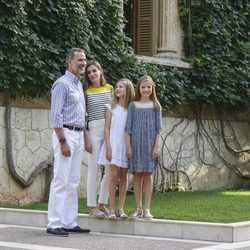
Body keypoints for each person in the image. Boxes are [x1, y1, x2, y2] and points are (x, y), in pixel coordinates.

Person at [47, 48, 90, 236]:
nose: (83, 62)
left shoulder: (79, 85)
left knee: (73, 181)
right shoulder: (62, 84)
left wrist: (84, 137)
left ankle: (69, 221)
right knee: (60, 179)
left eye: (85, 59)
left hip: (78, 135)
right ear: (69, 62)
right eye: (79, 59)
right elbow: (56, 116)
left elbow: (82, 115)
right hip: (65, 134)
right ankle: (54, 223)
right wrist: (62, 141)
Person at [125, 75, 162, 220]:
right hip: (135, 145)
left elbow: (158, 130)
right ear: (138, 89)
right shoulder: (133, 106)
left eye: (148, 87)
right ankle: (138, 208)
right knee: (137, 175)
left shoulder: (156, 106)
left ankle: (147, 209)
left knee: (148, 175)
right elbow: (128, 129)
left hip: (150, 145)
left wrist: (156, 147)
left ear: (152, 89)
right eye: (143, 87)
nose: (146, 89)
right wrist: (128, 146)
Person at [98, 79, 135, 219]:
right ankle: (111, 209)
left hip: (125, 145)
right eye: (117, 87)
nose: (118, 89)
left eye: (121, 87)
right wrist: (108, 147)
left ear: (128, 90)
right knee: (113, 176)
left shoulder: (131, 109)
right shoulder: (111, 107)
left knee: (124, 177)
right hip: (113, 144)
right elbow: (106, 128)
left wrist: (130, 146)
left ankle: (121, 209)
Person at [84, 61, 113, 218]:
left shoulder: (110, 89)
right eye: (89, 72)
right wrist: (86, 138)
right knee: (93, 170)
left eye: (94, 71)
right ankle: (92, 206)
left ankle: (102, 203)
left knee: (109, 170)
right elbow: (84, 116)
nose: (92, 74)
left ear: (100, 71)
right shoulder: (86, 92)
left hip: (109, 130)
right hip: (94, 130)